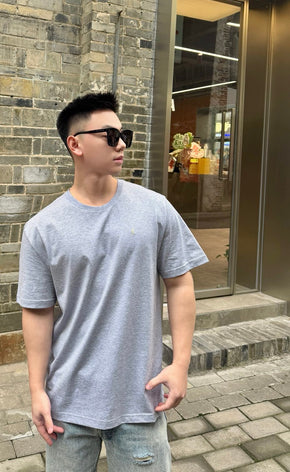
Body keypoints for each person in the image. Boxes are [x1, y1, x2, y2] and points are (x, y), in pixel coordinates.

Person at [17, 92, 208, 471]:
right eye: (110, 135)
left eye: (124, 136)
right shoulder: (42, 228)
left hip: (140, 397)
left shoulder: (155, 209)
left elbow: (180, 283)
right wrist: (37, 389)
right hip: (67, 402)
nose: (121, 144)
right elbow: (37, 311)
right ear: (75, 144)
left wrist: (180, 364)